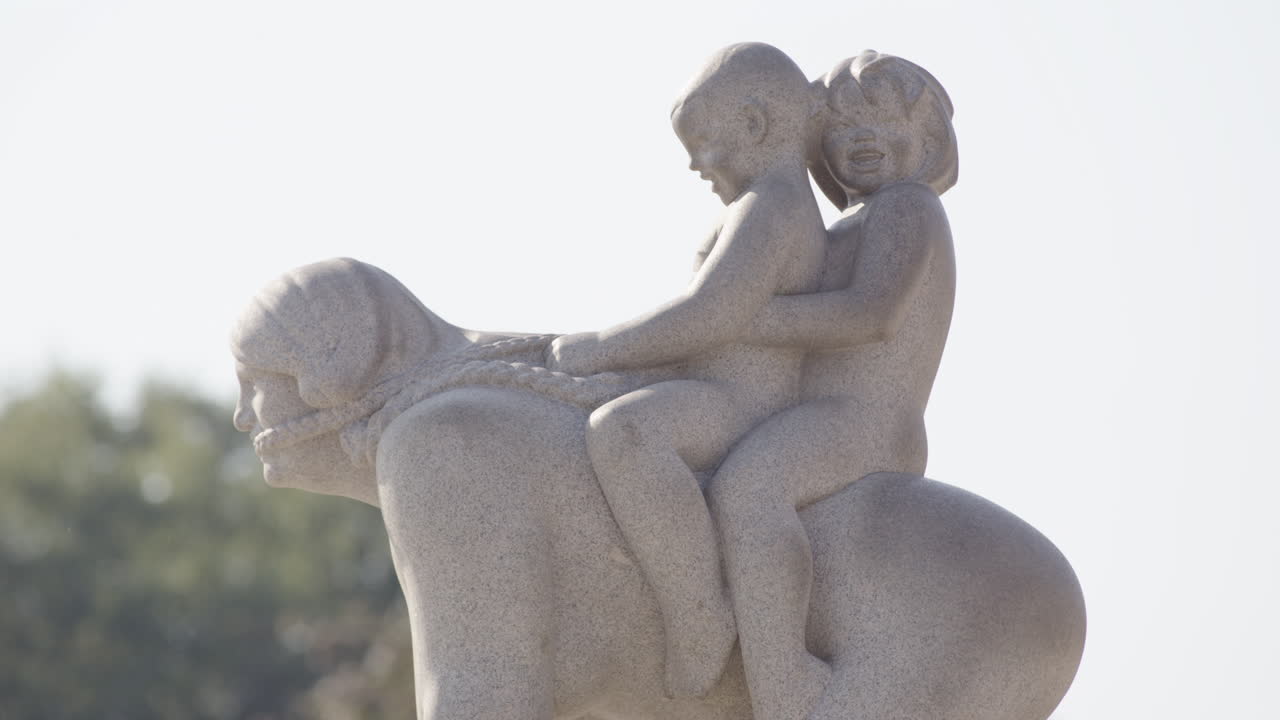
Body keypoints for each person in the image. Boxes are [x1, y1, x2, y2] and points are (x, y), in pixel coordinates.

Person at [545, 42, 827, 698]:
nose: (694, 164)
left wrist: (600, 348)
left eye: (703, 142)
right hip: (716, 385)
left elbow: (709, 315)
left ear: (756, 125)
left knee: (628, 431)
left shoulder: (771, 207)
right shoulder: (764, 204)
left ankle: (700, 611)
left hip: (742, 400)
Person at [705, 50, 959, 720]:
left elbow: (869, 314)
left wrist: (743, 320)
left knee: (747, 486)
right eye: (842, 127)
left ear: (929, 140)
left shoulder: (908, 209)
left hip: (866, 418)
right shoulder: (845, 223)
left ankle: (783, 677)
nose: (858, 138)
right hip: (813, 413)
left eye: (879, 118)